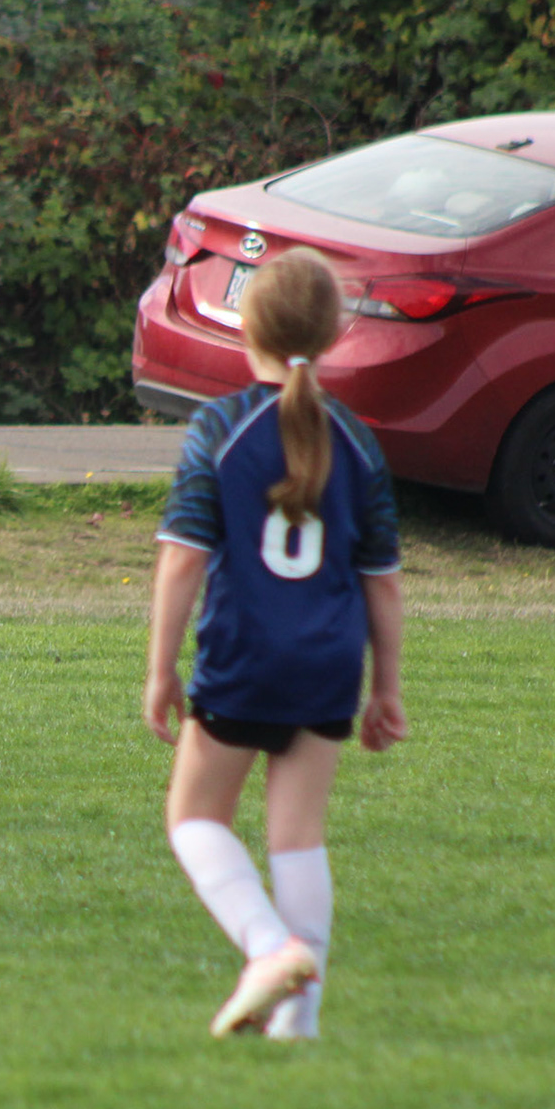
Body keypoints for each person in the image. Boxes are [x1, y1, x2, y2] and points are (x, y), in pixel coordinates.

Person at [143, 248, 406, 1040]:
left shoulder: (221, 428)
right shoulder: (356, 440)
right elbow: (383, 583)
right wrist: (386, 687)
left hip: (246, 658)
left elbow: (183, 559)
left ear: (245, 325)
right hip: (330, 664)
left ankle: (268, 949)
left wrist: (160, 669)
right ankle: (298, 1025)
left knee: (194, 818)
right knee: (298, 837)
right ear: (334, 334)